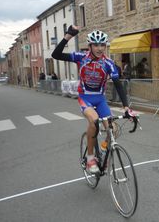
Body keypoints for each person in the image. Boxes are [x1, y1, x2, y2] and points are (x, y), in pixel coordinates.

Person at [52, 25, 131, 174]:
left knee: (114, 129)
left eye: (103, 45)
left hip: (100, 99)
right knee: (94, 121)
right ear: (90, 46)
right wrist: (68, 35)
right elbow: (56, 55)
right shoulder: (81, 57)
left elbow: (118, 85)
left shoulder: (109, 63)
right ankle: (90, 158)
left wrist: (126, 106)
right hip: (85, 98)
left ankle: (103, 150)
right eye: (96, 45)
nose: (100, 48)